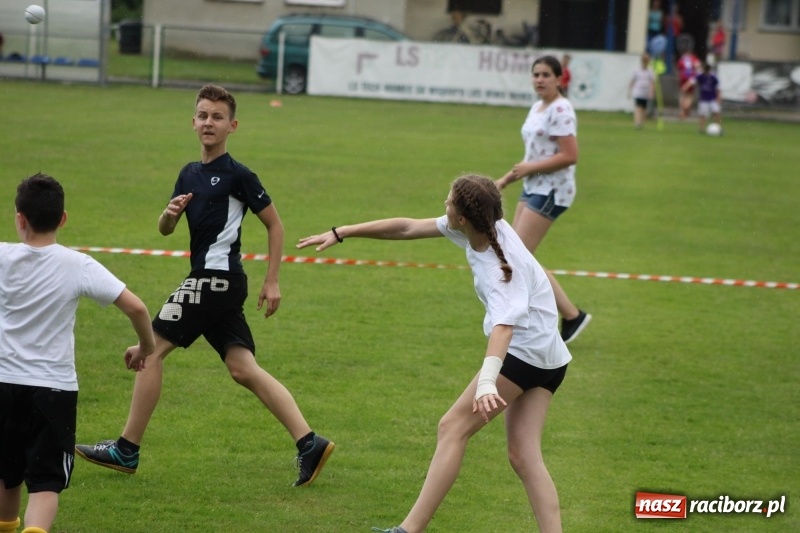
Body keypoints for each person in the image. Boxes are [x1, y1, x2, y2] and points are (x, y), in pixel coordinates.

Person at [75, 84, 334, 488]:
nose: (208, 122)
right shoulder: (188, 174)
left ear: (232, 125)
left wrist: (272, 281)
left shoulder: (239, 175)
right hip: (216, 283)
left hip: (215, 280)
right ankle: (310, 443)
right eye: (202, 115)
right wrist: (169, 213)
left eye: (216, 117)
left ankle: (126, 449)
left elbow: (275, 224)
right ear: (193, 122)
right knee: (242, 368)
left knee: (151, 351)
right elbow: (165, 230)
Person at [297, 174, 572, 533]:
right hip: (550, 356)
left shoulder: (499, 269)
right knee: (523, 456)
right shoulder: (482, 227)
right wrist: (343, 231)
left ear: (462, 218)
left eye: (448, 201)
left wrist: (488, 381)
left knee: (452, 427)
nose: (444, 203)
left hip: (525, 355)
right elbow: (407, 227)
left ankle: (408, 530)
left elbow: (504, 329)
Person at [0, 173, 156, 533]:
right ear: (63, 218)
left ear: (19, 218)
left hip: (4, 383)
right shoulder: (77, 264)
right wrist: (146, 347)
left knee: (6, 476)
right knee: (45, 484)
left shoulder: (4, 257)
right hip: (53, 389)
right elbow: (136, 308)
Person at [495, 56, 591, 344]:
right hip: (533, 185)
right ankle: (537, 318)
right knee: (516, 254)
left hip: (552, 190)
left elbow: (569, 156)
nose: (539, 79)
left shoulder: (561, 109)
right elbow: (533, 155)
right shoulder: (537, 107)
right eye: (535, 74)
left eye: (546, 74)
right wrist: (507, 179)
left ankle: (572, 315)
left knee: (518, 256)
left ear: (559, 79)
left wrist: (527, 170)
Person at [628, 53, 657, 129]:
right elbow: (632, 81)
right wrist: (630, 90)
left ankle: (641, 122)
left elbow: (652, 83)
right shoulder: (636, 70)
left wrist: (651, 92)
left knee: (644, 109)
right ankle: (637, 123)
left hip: (646, 92)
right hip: (638, 92)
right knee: (638, 107)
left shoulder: (650, 71)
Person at [695, 61, 722, 133]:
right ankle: (701, 129)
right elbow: (693, 82)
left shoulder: (713, 77)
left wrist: (718, 98)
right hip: (703, 99)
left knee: (716, 112)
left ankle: (719, 127)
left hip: (712, 98)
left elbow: (718, 88)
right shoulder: (700, 76)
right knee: (703, 115)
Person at [677, 47, 701, 119]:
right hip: (691, 78)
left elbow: (679, 69)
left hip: (683, 78)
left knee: (682, 95)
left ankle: (682, 111)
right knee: (689, 96)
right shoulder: (694, 58)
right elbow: (698, 67)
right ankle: (685, 109)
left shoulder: (682, 59)